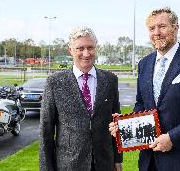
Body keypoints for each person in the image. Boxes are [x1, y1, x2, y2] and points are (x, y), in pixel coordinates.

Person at [109, 7, 180, 171]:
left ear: (175, 27)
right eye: (152, 28)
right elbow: (142, 103)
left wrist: (173, 138)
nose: (156, 32)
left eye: (162, 26)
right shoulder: (144, 63)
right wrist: (126, 124)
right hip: (149, 160)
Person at [39, 26, 123, 171]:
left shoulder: (110, 80)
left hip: (104, 163)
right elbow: (46, 130)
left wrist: (118, 159)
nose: (86, 53)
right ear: (70, 50)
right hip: (69, 165)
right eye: (80, 48)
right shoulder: (55, 82)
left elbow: (116, 123)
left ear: (96, 48)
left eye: (90, 47)